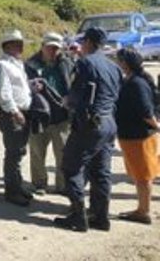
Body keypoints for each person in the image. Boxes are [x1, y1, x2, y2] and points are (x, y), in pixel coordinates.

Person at [53, 26, 122, 232]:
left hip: (90, 123)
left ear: (89, 43)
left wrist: (68, 102)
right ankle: (100, 217)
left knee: (71, 166)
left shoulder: (85, 63)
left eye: (83, 42)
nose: (81, 46)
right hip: (109, 122)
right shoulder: (114, 67)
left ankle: (77, 215)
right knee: (101, 171)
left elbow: (77, 95)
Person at [113, 47, 159, 225]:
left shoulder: (136, 83)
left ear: (126, 63)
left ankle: (144, 210)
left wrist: (156, 126)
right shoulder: (133, 80)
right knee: (142, 174)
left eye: (119, 60)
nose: (118, 63)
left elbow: (146, 111)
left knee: (143, 176)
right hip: (133, 136)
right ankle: (143, 208)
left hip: (139, 137)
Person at [25, 32, 73, 194]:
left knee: (63, 153)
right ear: (42, 46)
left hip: (61, 115)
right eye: (50, 47)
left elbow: (72, 84)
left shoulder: (66, 62)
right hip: (39, 115)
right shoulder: (30, 64)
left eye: (56, 48)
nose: (53, 51)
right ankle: (39, 184)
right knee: (37, 152)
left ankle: (62, 185)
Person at [0, 30, 34, 206]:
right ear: (7, 46)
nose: (21, 46)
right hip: (13, 114)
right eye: (17, 43)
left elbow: (19, 87)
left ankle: (17, 186)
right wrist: (15, 112)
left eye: (21, 43)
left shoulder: (17, 64)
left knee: (19, 151)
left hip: (22, 111)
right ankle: (12, 191)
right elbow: (3, 93)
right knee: (13, 153)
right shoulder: (2, 66)